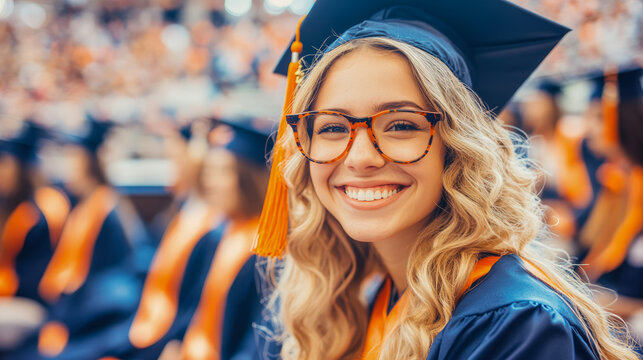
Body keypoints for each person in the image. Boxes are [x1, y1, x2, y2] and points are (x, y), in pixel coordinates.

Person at [251, 0, 640, 359]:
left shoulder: (512, 326)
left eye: (401, 125)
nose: (361, 157)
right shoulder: (373, 294)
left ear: (457, 147)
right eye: (333, 127)